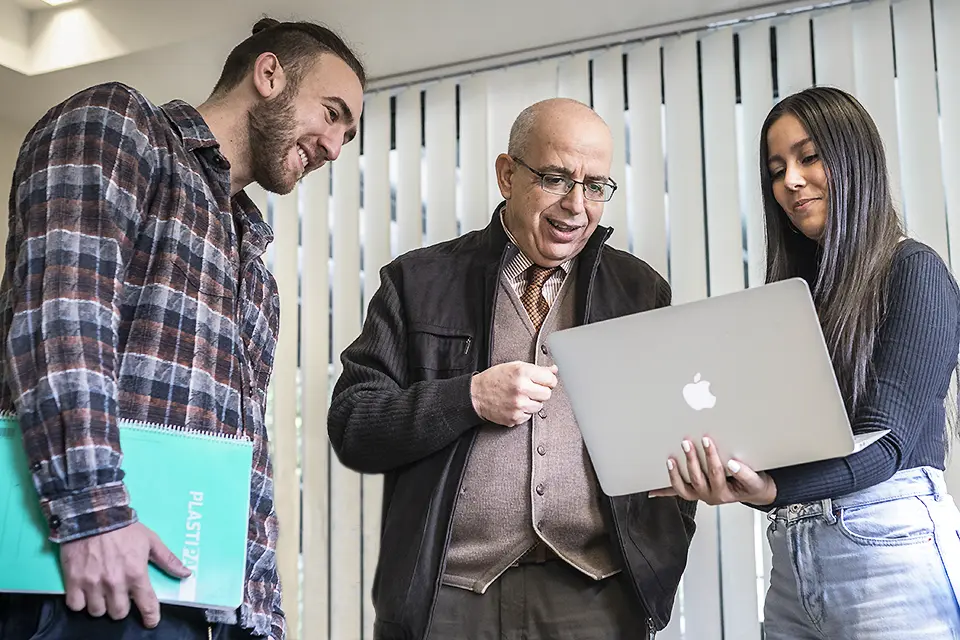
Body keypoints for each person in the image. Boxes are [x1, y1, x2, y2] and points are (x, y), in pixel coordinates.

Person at [0, 17, 364, 640]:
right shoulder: (118, 125)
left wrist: (258, 616)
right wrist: (94, 514)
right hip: (93, 576)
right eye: (331, 113)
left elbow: (243, 447)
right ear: (269, 74)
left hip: (205, 603)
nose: (334, 146)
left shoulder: (251, 256)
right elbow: (62, 322)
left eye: (347, 136)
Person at [328, 97, 697, 640]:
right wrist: (468, 399)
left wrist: (663, 556)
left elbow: (679, 434)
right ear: (507, 174)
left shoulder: (641, 291)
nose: (577, 206)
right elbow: (354, 424)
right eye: (555, 178)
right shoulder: (417, 283)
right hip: (447, 597)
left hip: (599, 596)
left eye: (595, 186)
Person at [652, 86, 960, 639]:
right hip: (793, 556)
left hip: (888, 550)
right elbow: (788, 450)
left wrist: (772, 488)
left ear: (853, 160)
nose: (789, 181)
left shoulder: (914, 272)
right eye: (776, 169)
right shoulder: (795, 301)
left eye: (808, 157)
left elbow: (883, 444)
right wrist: (730, 469)